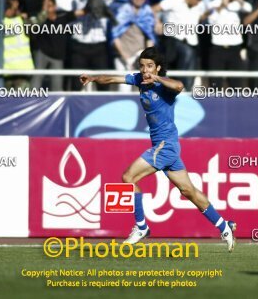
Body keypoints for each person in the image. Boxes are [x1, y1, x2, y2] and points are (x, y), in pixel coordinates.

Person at [79, 47, 237, 252]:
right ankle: (225, 227)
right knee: (188, 191)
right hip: (166, 147)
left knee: (128, 177)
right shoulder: (138, 80)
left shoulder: (164, 86)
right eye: (142, 66)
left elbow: (179, 86)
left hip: (165, 146)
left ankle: (141, 227)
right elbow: (111, 80)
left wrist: (158, 79)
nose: (145, 70)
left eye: (150, 66)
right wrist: (92, 78)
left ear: (158, 68)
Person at [152, 0, 207, 89]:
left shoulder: (200, 5)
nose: (199, 3)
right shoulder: (174, 0)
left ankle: (186, 91)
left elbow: (199, 18)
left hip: (191, 41)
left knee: (190, 69)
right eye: (197, 0)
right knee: (181, 61)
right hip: (173, 40)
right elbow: (154, 9)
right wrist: (157, 23)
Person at [207, 0, 252, 88]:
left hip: (235, 47)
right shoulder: (214, 2)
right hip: (218, 47)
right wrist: (222, 5)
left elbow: (249, 8)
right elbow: (210, 20)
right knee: (215, 82)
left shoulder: (238, 4)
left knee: (236, 82)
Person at [112, 0, 156, 91]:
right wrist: (126, 58)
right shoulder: (123, 11)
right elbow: (115, 35)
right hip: (123, 57)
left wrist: (146, 57)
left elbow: (150, 37)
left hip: (140, 58)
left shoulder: (147, 13)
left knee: (142, 90)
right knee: (123, 89)